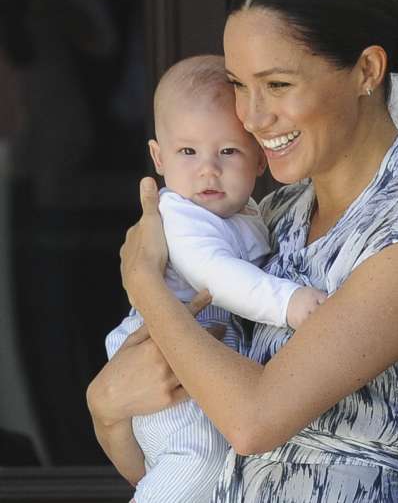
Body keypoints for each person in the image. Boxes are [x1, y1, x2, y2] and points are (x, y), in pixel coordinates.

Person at [86, 0, 398, 501]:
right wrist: (106, 409)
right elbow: (175, 471)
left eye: (278, 85)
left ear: (366, 70)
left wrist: (144, 281)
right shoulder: (275, 213)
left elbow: (252, 421)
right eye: (240, 85)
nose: (251, 116)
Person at [103, 54, 327, 503]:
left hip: (200, 347)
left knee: (211, 466)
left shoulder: (250, 214)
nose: (208, 169)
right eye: (188, 152)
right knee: (197, 458)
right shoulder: (179, 215)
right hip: (159, 349)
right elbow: (219, 276)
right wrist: (289, 302)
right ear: (158, 157)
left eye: (228, 151)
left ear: (259, 160)